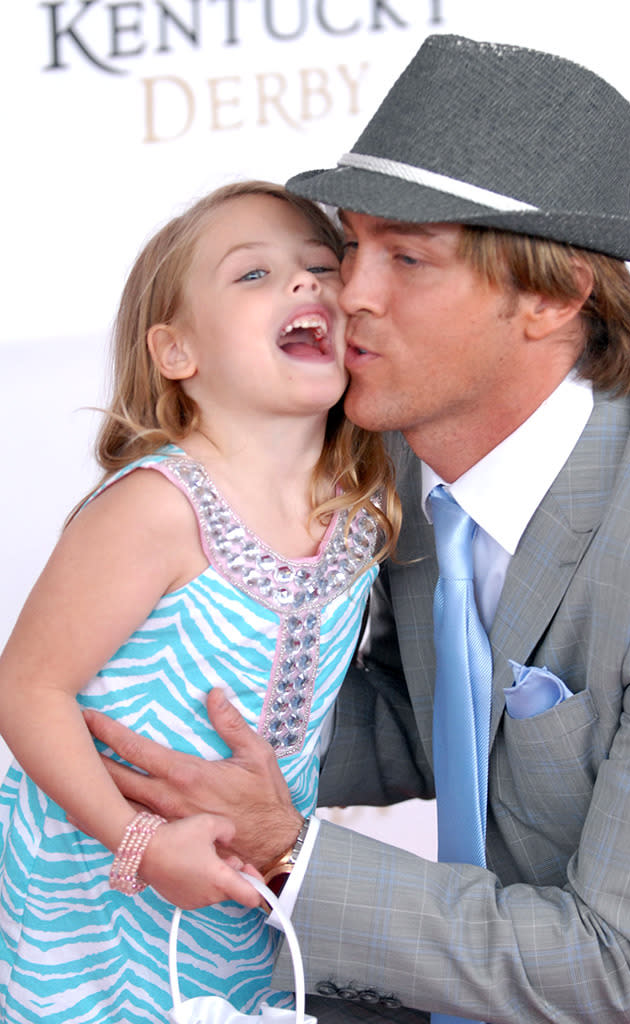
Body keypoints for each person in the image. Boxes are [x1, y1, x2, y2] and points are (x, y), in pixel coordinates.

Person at [82, 34, 630, 1024]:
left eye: (407, 258)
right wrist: (140, 729)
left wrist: (289, 848)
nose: (348, 292)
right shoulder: (397, 452)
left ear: (551, 296)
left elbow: (629, 975)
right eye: (352, 243)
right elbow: (420, 717)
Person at [0, 180, 400, 1023]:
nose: (305, 286)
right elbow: (27, 688)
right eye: (252, 275)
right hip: (96, 883)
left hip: (243, 879)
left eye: (322, 267)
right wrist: (138, 844)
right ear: (176, 351)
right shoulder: (157, 506)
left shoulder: (361, 507)